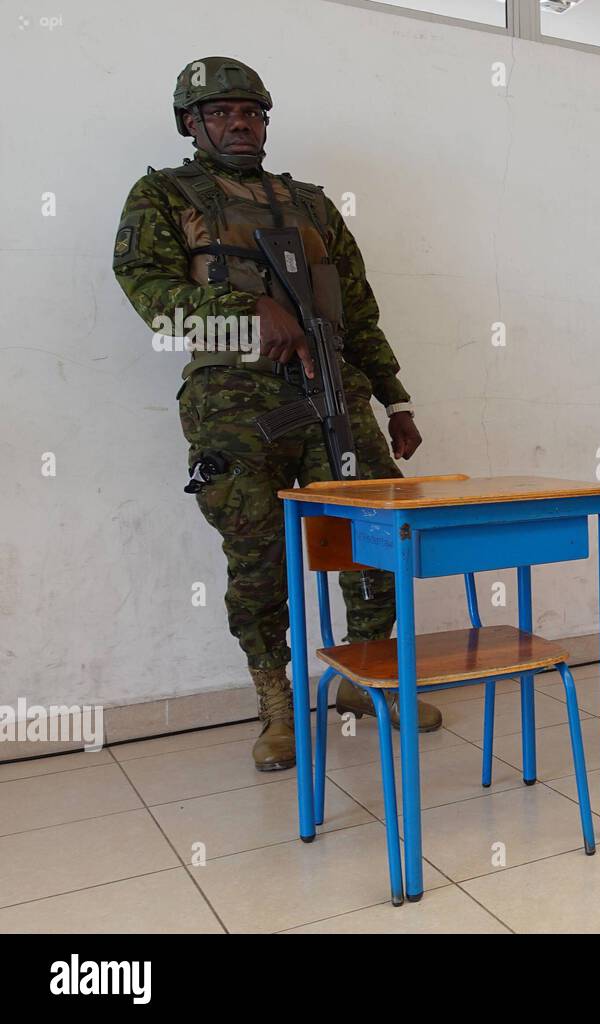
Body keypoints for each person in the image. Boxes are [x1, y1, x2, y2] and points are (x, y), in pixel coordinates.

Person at [113, 57, 441, 771]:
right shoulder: (163, 195)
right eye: (223, 112)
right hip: (233, 402)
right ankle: (277, 704)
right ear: (192, 124)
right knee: (259, 553)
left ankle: (364, 678)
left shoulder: (313, 205)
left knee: (376, 533)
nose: (240, 123)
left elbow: (357, 308)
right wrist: (245, 310)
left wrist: (396, 398)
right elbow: (150, 295)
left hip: (335, 391)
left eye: (252, 112)